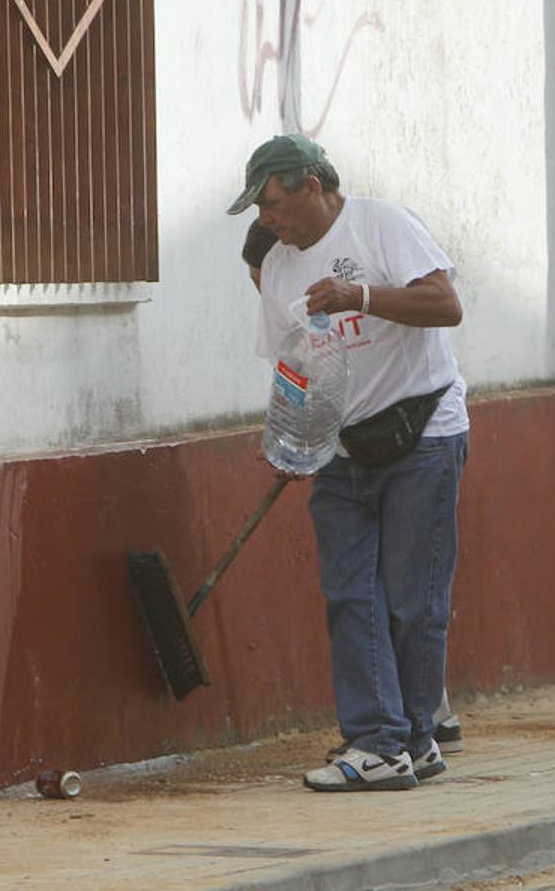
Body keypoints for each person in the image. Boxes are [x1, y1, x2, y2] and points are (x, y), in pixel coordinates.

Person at [228, 134, 469, 790]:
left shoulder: (381, 224)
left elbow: (445, 306)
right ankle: (380, 740)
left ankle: (410, 741)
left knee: (414, 601)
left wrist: (358, 297)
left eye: (273, 204)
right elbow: (294, 363)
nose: (267, 220)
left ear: (311, 184)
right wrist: (289, 437)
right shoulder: (277, 267)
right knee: (349, 593)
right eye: (258, 211)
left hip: (423, 434)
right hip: (340, 446)